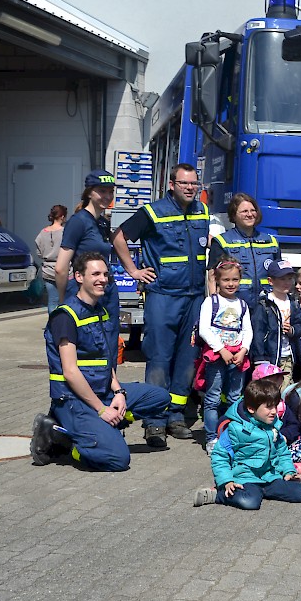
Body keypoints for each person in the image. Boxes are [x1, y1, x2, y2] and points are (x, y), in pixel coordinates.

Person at [30, 252, 171, 470]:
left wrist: (118, 393)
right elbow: (70, 371)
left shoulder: (100, 312)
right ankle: (65, 442)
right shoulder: (65, 317)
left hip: (103, 391)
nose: (103, 279)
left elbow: (104, 359)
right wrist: (101, 410)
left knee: (159, 397)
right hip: (74, 399)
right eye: (95, 274)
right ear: (79, 277)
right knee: (117, 459)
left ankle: (105, 428)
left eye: (105, 274)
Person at [112, 163, 209, 440]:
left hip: (194, 297)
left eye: (194, 184)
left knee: (187, 358)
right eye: (184, 183)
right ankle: (154, 420)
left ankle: (176, 417)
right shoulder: (152, 212)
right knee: (159, 358)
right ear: (171, 185)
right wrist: (133, 271)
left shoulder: (202, 211)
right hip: (164, 295)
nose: (190, 188)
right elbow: (118, 236)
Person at [192, 365, 301, 510]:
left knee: (300, 493)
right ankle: (216, 494)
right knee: (249, 502)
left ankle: (270, 488)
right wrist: (226, 481)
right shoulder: (235, 428)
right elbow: (219, 456)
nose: (274, 412)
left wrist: (288, 471)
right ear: (251, 409)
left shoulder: (274, 426)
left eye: (275, 407)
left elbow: (282, 452)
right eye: (269, 407)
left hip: (270, 477)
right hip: (245, 478)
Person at [56, 172, 120, 362]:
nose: (108, 196)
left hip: (105, 291)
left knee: (108, 346)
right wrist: (63, 299)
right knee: (88, 347)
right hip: (85, 294)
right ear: (89, 193)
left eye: (111, 192)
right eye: (102, 191)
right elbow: (60, 267)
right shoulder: (78, 222)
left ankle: (110, 388)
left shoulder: (102, 222)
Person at [198, 260, 252, 454]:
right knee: (212, 398)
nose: (231, 284)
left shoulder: (242, 304)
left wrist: (243, 350)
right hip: (216, 356)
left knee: (235, 398)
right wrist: (221, 349)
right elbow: (204, 329)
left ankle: (234, 435)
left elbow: (248, 330)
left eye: (235, 280)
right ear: (218, 281)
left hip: (238, 356)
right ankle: (212, 438)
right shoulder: (210, 302)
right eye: (226, 280)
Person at [206, 193, 280, 308]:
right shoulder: (222, 241)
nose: (250, 214)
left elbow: (279, 275)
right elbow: (212, 276)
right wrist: (214, 304)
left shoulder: (271, 241)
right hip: (234, 305)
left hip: (266, 306)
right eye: (244, 211)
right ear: (234, 215)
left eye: (253, 210)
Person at [251, 260, 301, 375]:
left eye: (290, 278)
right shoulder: (264, 304)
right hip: (269, 358)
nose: (287, 282)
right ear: (270, 281)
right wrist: (260, 359)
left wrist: (292, 330)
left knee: (286, 388)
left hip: (288, 356)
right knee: (271, 389)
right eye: (282, 279)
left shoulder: (293, 302)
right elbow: (258, 333)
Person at [34, 204, 67, 314]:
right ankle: (63, 325)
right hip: (65, 269)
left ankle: (52, 326)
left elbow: (39, 253)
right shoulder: (65, 231)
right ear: (62, 217)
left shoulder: (42, 232)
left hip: (48, 269)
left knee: (52, 301)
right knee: (65, 301)